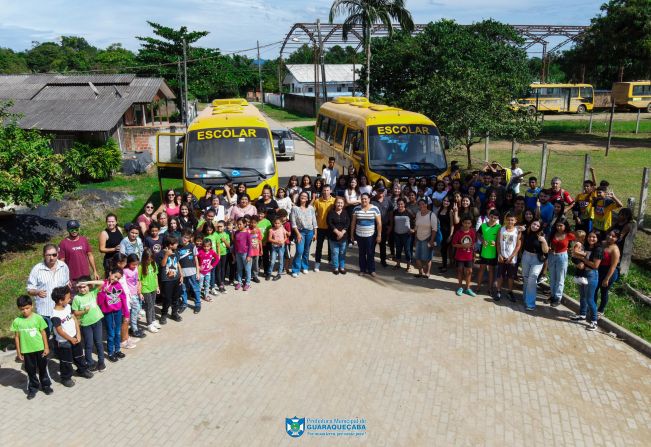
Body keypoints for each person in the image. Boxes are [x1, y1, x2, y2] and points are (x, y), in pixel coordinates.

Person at [50, 286, 93, 388]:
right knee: (66, 361)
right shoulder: (55, 315)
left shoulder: (67, 307)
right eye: (68, 298)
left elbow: (74, 318)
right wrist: (70, 339)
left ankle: (82, 370)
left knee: (79, 355)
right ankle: (66, 378)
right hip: (64, 341)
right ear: (60, 301)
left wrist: (78, 333)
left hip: (75, 337)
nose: (70, 299)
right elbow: (59, 331)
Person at [12, 295, 52, 399]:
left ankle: (46, 385)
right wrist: (19, 352)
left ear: (32, 306)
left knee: (43, 368)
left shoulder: (38, 318)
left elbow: (43, 333)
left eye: (27, 308)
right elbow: (17, 337)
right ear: (19, 309)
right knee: (30, 370)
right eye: (22, 309)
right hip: (27, 350)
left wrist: (46, 347)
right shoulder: (17, 321)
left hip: (40, 349)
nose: (25, 311)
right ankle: (33, 388)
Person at [27, 244, 70, 334]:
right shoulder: (37, 269)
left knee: (62, 336)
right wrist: (37, 292)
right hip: (45, 311)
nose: (52, 258)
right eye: (48, 255)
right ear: (43, 255)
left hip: (61, 310)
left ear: (57, 254)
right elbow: (30, 289)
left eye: (54, 255)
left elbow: (66, 286)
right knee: (45, 337)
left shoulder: (63, 267)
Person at [570, 231, 603, 331]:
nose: (591, 239)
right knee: (582, 296)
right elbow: (574, 255)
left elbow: (595, 265)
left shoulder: (598, 249)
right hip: (582, 274)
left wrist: (583, 259)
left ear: (598, 239)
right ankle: (582, 314)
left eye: (594, 237)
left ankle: (594, 321)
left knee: (590, 299)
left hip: (591, 275)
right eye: (589, 236)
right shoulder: (585, 246)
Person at [71, 278, 106, 371]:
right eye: (80, 287)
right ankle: (90, 363)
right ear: (77, 288)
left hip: (97, 321)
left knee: (99, 343)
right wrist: (83, 311)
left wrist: (88, 282)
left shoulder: (92, 293)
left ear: (88, 286)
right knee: (88, 344)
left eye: (84, 287)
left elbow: (102, 283)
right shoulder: (76, 298)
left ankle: (101, 362)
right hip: (86, 324)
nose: (82, 289)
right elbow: (75, 313)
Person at [97, 267, 129, 362]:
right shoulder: (103, 284)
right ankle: (111, 352)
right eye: (115, 276)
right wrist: (103, 292)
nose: (115, 279)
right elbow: (99, 302)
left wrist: (126, 314)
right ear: (110, 273)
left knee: (117, 332)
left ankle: (117, 350)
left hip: (118, 312)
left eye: (118, 278)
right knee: (111, 333)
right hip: (108, 313)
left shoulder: (118, 285)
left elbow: (123, 299)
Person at [58, 219, 98, 285]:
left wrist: (95, 271)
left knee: (88, 294)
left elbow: (90, 255)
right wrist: (65, 278)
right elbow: (61, 262)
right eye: (72, 229)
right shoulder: (63, 243)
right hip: (73, 278)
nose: (74, 231)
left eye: (76, 229)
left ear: (79, 228)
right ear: (68, 229)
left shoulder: (84, 240)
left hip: (86, 275)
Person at [520, 220, 549, 311]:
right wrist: (520, 229)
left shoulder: (542, 235)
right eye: (534, 224)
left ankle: (530, 303)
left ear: (540, 227)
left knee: (532, 278)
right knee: (525, 277)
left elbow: (546, 251)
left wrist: (544, 241)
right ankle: (525, 298)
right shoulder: (526, 231)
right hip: (526, 256)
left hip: (537, 259)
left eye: (537, 225)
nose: (535, 226)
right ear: (531, 224)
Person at [351, 193, 382, 277]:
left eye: (365, 199)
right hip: (359, 235)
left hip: (371, 236)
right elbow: (353, 223)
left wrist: (379, 235)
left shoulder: (375, 208)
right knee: (361, 253)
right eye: (362, 199)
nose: (364, 200)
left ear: (369, 199)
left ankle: (371, 270)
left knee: (370, 253)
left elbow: (379, 223)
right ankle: (362, 269)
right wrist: (352, 235)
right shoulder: (356, 209)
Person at [547, 218, 575, 307]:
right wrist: (549, 249)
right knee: (552, 277)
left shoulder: (568, 235)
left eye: (561, 226)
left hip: (562, 257)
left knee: (560, 278)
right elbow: (548, 243)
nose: (559, 227)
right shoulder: (553, 233)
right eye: (557, 225)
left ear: (565, 226)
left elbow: (579, 239)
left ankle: (557, 298)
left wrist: (575, 249)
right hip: (552, 256)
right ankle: (552, 295)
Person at [156, 236, 183, 324]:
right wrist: (166, 255)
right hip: (167, 280)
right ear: (170, 245)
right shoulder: (160, 254)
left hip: (176, 278)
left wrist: (181, 275)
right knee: (167, 298)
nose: (177, 245)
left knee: (176, 297)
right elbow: (162, 265)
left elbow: (178, 263)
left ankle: (174, 313)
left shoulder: (176, 252)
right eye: (175, 244)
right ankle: (164, 314)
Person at [495, 213, 521, 302]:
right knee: (500, 275)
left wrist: (511, 256)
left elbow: (518, 246)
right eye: (508, 219)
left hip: (512, 258)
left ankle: (510, 292)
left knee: (511, 276)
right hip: (502, 256)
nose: (510, 221)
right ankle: (498, 291)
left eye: (512, 220)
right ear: (505, 220)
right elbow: (498, 243)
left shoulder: (517, 231)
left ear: (515, 221)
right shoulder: (501, 229)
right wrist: (499, 254)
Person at [290, 191, 317, 277]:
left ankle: (305, 266)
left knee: (306, 250)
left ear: (308, 198)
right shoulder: (295, 208)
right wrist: (297, 234)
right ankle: (295, 269)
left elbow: (314, 221)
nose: (303, 197)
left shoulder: (311, 208)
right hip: (300, 232)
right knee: (299, 251)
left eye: (305, 196)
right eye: (302, 195)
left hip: (309, 232)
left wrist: (315, 233)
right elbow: (293, 223)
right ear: (299, 197)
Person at [595, 229, 621, 317]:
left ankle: (601, 310)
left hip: (609, 272)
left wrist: (607, 279)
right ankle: (593, 307)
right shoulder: (602, 243)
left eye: (613, 236)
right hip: (599, 270)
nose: (610, 237)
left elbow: (613, 266)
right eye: (609, 235)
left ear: (617, 238)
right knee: (594, 288)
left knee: (604, 291)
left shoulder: (615, 250)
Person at [476, 210, 501, 295]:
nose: (493, 219)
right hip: (484, 251)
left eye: (495, 218)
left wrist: (497, 242)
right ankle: (478, 287)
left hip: (493, 253)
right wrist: (482, 240)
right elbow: (478, 234)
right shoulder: (483, 225)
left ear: (497, 218)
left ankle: (490, 289)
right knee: (481, 269)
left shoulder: (499, 227)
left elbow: (501, 239)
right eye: (492, 217)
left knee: (491, 271)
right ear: (489, 216)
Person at [451, 215, 476, 296]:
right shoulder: (458, 233)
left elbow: (473, 244)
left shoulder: (472, 232)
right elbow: (454, 244)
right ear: (462, 223)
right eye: (465, 223)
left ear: (471, 224)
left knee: (469, 272)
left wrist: (474, 255)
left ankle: (468, 288)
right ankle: (460, 287)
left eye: (469, 223)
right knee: (460, 271)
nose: (467, 225)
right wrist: (463, 246)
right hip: (460, 256)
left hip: (469, 256)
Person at [178, 230, 202, 314]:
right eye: (184, 237)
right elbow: (177, 262)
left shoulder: (192, 246)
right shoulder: (178, 247)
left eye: (187, 238)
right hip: (182, 273)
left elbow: (196, 259)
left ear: (190, 239)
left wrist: (198, 272)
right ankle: (184, 303)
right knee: (183, 289)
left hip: (192, 272)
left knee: (195, 288)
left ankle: (198, 304)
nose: (185, 239)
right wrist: (180, 273)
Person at [123, 254, 146, 338]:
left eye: (136, 264)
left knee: (136, 311)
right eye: (133, 264)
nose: (135, 266)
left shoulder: (136, 268)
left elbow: (138, 280)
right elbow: (123, 284)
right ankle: (134, 330)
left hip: (136, 293)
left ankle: (134, 327)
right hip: (130, 295)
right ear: (128, 262)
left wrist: (139, 292)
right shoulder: (125, 271)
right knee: (135, 311)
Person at [138, 248, 161, 334]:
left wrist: (157, 286)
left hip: (153, 288)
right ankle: (149, 324)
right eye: (148, 259)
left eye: (151, 258)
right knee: (149, 306)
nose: (149, 261)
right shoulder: (140, 267)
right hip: (145, 289)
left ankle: (153, 320)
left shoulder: (154, 264)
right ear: (144, 258)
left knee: (153, 304)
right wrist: (139, 292)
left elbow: (156, 276)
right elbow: (139, 280)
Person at [313, 184, 335, 272]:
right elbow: (313, 213)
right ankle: (317, 262)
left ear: (331, 191)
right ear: (322, 191)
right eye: (324, 190)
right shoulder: (318, 201)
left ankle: (330, 261)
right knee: (319, 246)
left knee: (331, 246)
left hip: (330, 227)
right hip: (320, 227)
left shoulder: (334, 200)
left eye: (327, 190)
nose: (326, 192)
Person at [326, 196, 350, 275]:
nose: (340, 204)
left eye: (341, 203)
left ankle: (342, 267)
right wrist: (337, 232)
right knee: (335, 252)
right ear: (335, 203)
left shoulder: (345, 212)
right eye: (338, 202)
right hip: (333, 236)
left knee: (342, 252)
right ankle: (336, 267)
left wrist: (342, 232)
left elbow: (348, 223)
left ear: (344, 204)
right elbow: (329, 223)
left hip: (343, 237)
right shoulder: (331, 212)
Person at [371, 187, 394, 268]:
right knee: (372, 244)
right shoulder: (371, 200)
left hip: (384, 226)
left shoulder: (388, 200)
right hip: (373, 226)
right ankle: (371, 260)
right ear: (376, 191)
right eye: (379, 190)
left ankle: (383, 260)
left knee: (383, 245)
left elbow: (391, 214)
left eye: (382, 190)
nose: (380, 192)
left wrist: (390, 226)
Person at [392, 198, 415, 272]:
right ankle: (398, 264)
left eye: (401, 204)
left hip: (406, 235)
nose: (400, 205)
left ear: (404, 204)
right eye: (398, 204)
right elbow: (392, 221)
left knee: (407, 250)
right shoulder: (395, 212)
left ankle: (409, 266)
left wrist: (413, 229)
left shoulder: (408, 212)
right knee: (398, 250)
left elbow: (414, 220)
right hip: (397, 234)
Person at [233, 217, 254, 290]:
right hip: (238, 253)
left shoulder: (247, 234)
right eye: (237, 224)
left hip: (245, 254)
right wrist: (234, 253)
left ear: (245, 224)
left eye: (240, 224)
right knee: (239, 268)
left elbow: (250, 245)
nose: (238, 226)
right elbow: (235, 243)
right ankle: (239, 282)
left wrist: (249, 255)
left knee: (247, 269)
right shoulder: (236, 232)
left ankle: (247, 283)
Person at [437, 195, 453, 273]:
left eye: (447, 201)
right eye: (444, 200)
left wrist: (450, 235)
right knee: (442, 250)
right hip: (440, 233)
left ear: (450, 203)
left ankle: (445, 266)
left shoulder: (450, 211)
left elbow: (452, 225)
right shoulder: (440, 210)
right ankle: (444, 265)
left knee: (445, 250)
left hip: (447, 233)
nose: (446, 202)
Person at [248, 215, 263, 283]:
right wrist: (251, 233)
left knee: (255, 264)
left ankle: (255, 276)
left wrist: (261, 249)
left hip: (256, 250)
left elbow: (260, 240)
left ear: (257, 223)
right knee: (248, 264)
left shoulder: (258, 230)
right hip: (249, 251)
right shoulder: (247, 230)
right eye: (251, 222)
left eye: (254, 223)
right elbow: (245, 238)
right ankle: (247, 276)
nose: (253, 224)